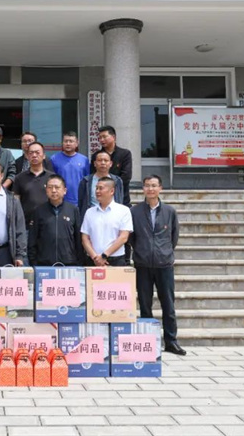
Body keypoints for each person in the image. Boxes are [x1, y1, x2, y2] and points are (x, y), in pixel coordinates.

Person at [130, 175, 185, 356]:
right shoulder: (134, 211)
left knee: (168, 304)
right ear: (143, 189)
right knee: (145, 304)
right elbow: (131, 237)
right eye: (147, 186)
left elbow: (174, 236)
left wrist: (165, 252)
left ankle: (171, 341)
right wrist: (142, 251)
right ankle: (148, 341)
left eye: (154, 185)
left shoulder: (169, 211)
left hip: (164, 264)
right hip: (143, 264)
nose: (150, 189)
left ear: (160, 188)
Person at [28, 174, 82, 266]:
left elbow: (78, 238)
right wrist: (33, 262)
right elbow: (32, 239)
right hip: (44, 264)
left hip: (69, 263)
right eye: (50, 187)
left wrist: (79, 261)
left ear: (64, 190)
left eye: (57, 187)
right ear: (46, 190)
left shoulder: (73, 210)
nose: (53, 190)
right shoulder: (38, 211)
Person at [81, 177, 133, 267]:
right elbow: (85, 238)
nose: (97, 191)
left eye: (101, 188)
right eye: (96, 188)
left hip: (115, 260)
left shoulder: (123, 210)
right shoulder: (89, 212)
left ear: (112, 191)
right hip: (93, 260)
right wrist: (95, 257)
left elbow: (123, 237)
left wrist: (104, 255)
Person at [12, 141, 55, 224]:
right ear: (28, 156)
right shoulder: (19, 178)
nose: (34, 155)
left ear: (44, 156)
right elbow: (16, 202)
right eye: (31, 153)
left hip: (48, 222)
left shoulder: (52, 177)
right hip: (26, 224)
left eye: (37, 152)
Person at [92, 125, 133, 206]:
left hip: (121, 198)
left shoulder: (125, 154)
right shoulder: (96, 156)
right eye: (100, 138)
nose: (102, 140)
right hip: (100, 201)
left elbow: (126, 176)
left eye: (104, 137)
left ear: (113, 137)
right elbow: (93, 175)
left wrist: (109, 187)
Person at [78, 150, 124, 218]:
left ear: (111, 163)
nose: (103, 163)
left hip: (113, 217)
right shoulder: (86, 181)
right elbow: (81, 203)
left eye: (106, 160)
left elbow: (120, 199)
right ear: (94, 163)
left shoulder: (117, 181)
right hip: (92, 217)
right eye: (99, 160)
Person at [51, 131, 90, 206]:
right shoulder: (54, 159)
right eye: (66, 141)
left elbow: (87, 180)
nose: (68, 144)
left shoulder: (84, 160)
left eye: (71, 141)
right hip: (60, 200)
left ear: (77, 143)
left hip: (79, 200)